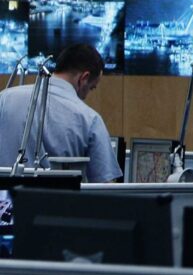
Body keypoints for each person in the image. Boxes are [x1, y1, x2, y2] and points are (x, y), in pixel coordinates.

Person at [0, 44, 120, 183]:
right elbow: (104, 187)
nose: (86, 95)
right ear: (84, 78)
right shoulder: (89, 119)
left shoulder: (4, 98)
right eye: (91, 88)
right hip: (55, 203)